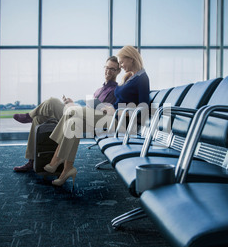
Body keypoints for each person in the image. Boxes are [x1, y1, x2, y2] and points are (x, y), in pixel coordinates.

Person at [44, 45, 150, 186]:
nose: (121, 65)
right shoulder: (130, 77)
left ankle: (58, 157)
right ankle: (67, 169)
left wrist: (116, 111)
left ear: (131, 59)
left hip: (121, 123)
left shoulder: (142, 78)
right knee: (73, 123)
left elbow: (144, 111)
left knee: (72, 111)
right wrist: (109, 107)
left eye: (122, 62)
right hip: (111, 116)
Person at [13, 56, 121, 172]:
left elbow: (102, 115)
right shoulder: (99, 90)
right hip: (79, 115)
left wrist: (75, 107)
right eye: (106, 67)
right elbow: (89, 109)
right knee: (38, 119)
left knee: (52, 101)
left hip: (86, 122)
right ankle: (32, 160)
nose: (108, 71)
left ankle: (29, 115)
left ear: (118, 71)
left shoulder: (116, 90)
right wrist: (71, 103)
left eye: (112, 69)